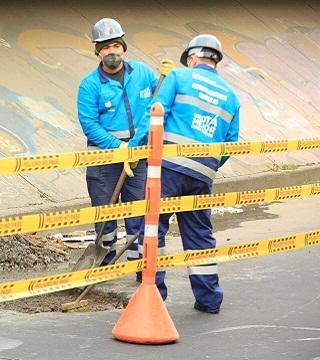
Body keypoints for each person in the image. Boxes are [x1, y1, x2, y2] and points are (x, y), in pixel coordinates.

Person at [147, 34, 240, 313]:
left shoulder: (178, 77)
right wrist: (208, 164)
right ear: (215, 61)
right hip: (202, 175)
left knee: (153, 230)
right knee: (199, 236)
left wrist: (139, 151)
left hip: (168, 169)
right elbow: (231, 143)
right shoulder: (231, 97)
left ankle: (154, 297)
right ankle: (209, 300)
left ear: (192, 57)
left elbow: (155, 115)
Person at [77, 18, 159, 269]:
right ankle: (105, 261)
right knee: (105, 212)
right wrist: (118, 148)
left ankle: (138, 265)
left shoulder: (143, 73)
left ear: (123, 47)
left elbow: (158, 105)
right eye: (105, 47)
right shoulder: (90, 85)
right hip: (104, 159)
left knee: (137, 210)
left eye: (115, 45)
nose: (111, 51)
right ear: (97, 51)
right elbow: (89, 123)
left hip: (138, 155)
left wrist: (135, 147)